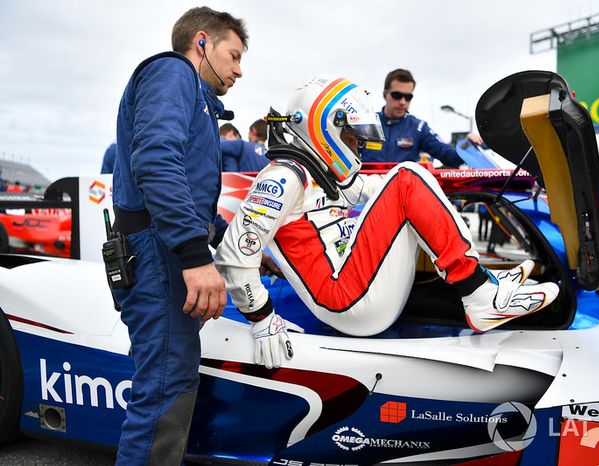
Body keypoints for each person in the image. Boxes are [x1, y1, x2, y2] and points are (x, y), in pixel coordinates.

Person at [215, 75, 559, 369]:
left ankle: (480, 280)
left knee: (412, 177)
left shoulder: (325, 174)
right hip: (344, 301)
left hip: (356, 293)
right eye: (351, 136)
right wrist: (262, 320)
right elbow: (234, 253)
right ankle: (479, 293)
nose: (357, 146)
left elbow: (385, 189)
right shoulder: (284, 178)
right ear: (323, 127)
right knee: (407, 176)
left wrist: (459, 183)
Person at [110, 7, 247, 464]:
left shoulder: (196, 100)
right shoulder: (173, 72)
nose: (239, 70)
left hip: (158, 246)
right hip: (158, 254)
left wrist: (234, 243)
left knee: (167, 380)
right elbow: (155, 162)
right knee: (165, 385)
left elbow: (189, 197)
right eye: (234, 55)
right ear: (202, 42)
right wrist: (194, 256)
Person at [360, 68, 483, 167]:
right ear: (384, 95)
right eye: (397, 95)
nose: (403, 102)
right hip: (366, 194)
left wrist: (468, 145)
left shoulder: (418, 128)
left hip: (401, 193)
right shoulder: (366, 123)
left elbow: (450, 157)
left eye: (408, 97)